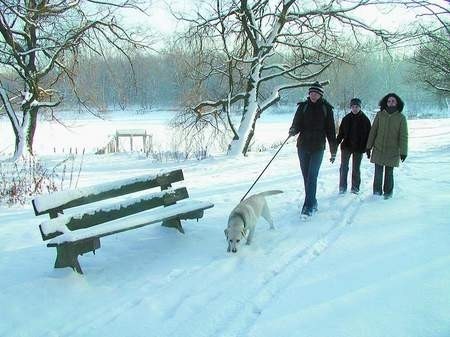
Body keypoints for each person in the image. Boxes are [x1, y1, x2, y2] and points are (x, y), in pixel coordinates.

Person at [289, 81, 337, 217]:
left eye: (316, 93)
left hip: (318, 147)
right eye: (311, 92)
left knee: (312, 176)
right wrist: (293, 130)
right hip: (303, 146)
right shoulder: (303, 107)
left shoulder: (327, 109)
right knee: (306, 177)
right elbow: (296, 124)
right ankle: (313, 201)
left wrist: (333, 151)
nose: (313, 95)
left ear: (320, 95)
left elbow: (331, 132)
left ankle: (308, 207)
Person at [366, 93, 408, 199]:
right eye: (389, 101)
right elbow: (373, 131)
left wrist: (403, 152)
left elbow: (404, 136)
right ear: (386, 102)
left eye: (393, 101)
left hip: (392, 150)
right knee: (378, 173)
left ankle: (388, 194)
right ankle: (376, 193)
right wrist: (368, 146)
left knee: (389, 173)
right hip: (379, 148)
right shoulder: (380, 115)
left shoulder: (401, 118)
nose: (391, 103)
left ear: (397, 103)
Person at [336, 98, 371, 194]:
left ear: (360, 107)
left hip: (359, 148)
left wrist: (368, 149)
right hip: (346, 146)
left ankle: (355, 188)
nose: (355, 109)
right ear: (350, 107)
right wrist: (336, 143)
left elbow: (369, 136)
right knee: (344, 167)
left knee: (356, 168)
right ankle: (342, 187)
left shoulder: (365, 120)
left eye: (357, 107)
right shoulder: (346, 119)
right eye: (353, 107)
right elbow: (341, 134)